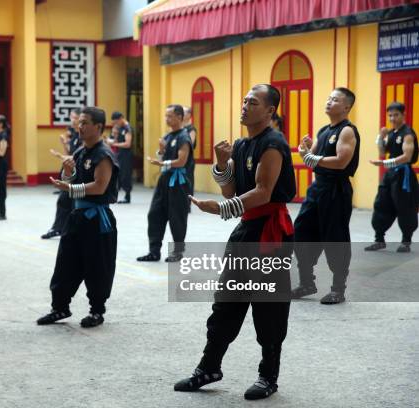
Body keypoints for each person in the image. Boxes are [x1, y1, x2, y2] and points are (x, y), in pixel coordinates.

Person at [175, 84, 296, 401]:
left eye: (253, 102)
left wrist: (220, 210)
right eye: (243, 100)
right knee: (226, 300)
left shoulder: (273, 144)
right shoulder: (243, 144)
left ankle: (268, 376)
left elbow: (263, 193)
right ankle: (209, 367)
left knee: (268, 307)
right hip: (246, 230)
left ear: (270, 110)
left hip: (270, 234)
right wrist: (220, 164)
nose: (245, 105)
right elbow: (231, 192)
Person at [36, 107, 119, 328]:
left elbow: (100, 187)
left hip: (97, 219)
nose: (79, 127)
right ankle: (60, 306)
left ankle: (96, 311)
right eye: (79, 123)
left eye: (84, 123)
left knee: (97, 266)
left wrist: (70, 188)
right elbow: (72, 180)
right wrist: (67, 173)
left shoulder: (104, 155)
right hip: (77, 216)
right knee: (65, 262)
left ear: (98, 127)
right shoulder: (80, 151)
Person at [291, 88, 361, 304]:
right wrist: (304, 151)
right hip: (317, 188)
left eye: (335, 100)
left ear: (347, 106)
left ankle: (338, 289)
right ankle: (306, 283)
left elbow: (341, 162)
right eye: (329, 98)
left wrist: (312, 157)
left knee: (335, 237)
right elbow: (311, 159)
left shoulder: (347, 131)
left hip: (336, 189)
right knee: (301, 231)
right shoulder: (323, 130)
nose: (329, 102)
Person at [137, 105, 194, 263]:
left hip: (178, 182)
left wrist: (162, 163)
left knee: (177, 217)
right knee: (155, 214)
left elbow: (181, 161)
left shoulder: (184, 136)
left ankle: (178, 252)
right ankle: (154, 251)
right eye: (166, 116)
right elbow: (164, 157)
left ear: (179, 117)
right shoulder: (168, 136)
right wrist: (161, 151)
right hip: (165, 180)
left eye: (169, 116)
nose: (166, 119)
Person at [365, 102, 418, 252]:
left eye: (396, 115)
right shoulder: (392, 133)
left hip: (403, 175)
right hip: (390, 174)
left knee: (405, 208)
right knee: (381, 204)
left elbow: (407, 157)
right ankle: (379, 239)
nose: (392, 118)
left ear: (403, 115)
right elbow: (382, 152)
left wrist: (384, 163)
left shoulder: (407, 133)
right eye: (390, 115)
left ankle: (406, 242)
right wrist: (380, 138)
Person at [41, 108, 82, 239]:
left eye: (74, 117)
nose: (72, 120)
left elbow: (76, 157)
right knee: (64, 201)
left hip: (79, 176)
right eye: (71, 117)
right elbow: (70, 153)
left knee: (71, 203)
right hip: (71, 174)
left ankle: (67, 229)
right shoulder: (75, 135)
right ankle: (59, 228)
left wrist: (60, 156)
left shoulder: (83, 136)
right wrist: (64, 144)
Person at [106, 111, 133, 203]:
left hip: (126, 155)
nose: (116, 124)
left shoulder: (127, 128)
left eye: (117, 122)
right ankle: (115, 195)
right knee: (117, 174)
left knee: (125, 175)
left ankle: (127, 196)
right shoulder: (120, 128)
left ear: (121, 118)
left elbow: (128, 144)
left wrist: (115, 144)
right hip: (119, 154)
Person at [183, 106, 197, 197]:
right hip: (179, 159)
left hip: (188, 160)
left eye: (183, 112)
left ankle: (188, 201)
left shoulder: (191, 129)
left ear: (188, 115)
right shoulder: (179, 129)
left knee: (188, 180)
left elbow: (190, 144)